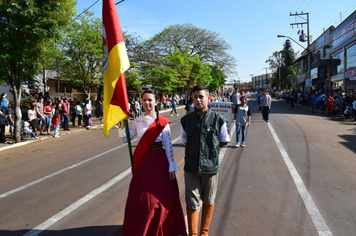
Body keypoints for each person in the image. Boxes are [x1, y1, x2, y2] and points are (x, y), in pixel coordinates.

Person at [120, 88, 187, 236]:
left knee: (159, 199)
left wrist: (171, 166)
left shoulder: (162, 123)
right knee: (142, 199)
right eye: (144, 100)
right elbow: (126, 139)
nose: (147, 103)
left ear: (156, 102)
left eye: (150, 100)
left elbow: (168, 146)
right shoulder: (137, 121)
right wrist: (121, 124)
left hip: (159, 162)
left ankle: (161, 226)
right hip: (143, 163)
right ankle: (141, 227)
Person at [180, 85, 230, 236]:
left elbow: (224, 140)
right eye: (195, 97)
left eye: (201, 96)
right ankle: (193, 234)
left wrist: (211, 151)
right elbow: (184, 139)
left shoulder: (218, 119)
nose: (198, 100)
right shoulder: (186, 120)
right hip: (191, 168)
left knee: (208, 200)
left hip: (210, 168)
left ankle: (204, 233)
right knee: (192, 202)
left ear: (208, 98)